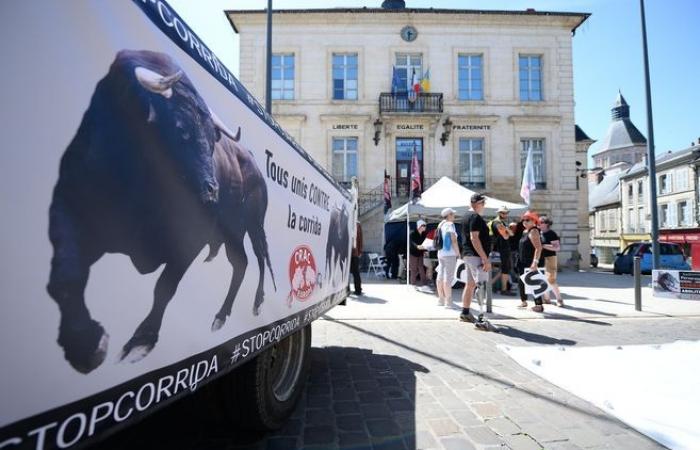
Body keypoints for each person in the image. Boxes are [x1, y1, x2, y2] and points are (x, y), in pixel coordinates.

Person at [460, 193, 492, 322]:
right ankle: (481, 318)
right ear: (476, 204)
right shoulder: (475, 217)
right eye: (482, 203)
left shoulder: (466, 216)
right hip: (475, 255)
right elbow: (474, 238)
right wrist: (485, 258)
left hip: (469, 255)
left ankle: (465, 313)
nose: (484, 206)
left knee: (470, 285)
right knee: (481, 285)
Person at [517, 211, 545, 312]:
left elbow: (538, 248)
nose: (524, 222)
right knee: (521, 282)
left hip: (530, 261)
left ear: (534, 221)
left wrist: (535, 262)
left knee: (534, 283)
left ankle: (539, 305)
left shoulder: (534, 231)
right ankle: (523, 301)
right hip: (523, 261)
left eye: (527, 220)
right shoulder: (525, 231)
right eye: (523, 220)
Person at [436, 208, 459, 308]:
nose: (454, 216)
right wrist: (458, 252)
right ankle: (448, 301)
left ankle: (441, 299)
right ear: (449, 215)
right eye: (453, 214)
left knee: (440, 276)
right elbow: (453, 239)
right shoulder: (450, 225)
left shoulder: (440, 224)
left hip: (441, 252)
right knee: (448, 277)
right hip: (450, 253)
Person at [539, 215, 564, 306]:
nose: (539, 223)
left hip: (550, 258)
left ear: (547, 224)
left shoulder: (551, 233)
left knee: (551, 279)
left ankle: (559, 299)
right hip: (541, 258)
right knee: (543, 279)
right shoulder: (539, 233)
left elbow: (557, 248)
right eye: (538, 222)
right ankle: (547, 299)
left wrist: (544, 246)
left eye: (541, 222)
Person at [490, 206, 515, 296]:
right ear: (499, 213)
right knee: (505, 269)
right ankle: (503, 289)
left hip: (503, 249)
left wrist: (507, 230)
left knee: (506, 269)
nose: (505, 214)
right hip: (500, 250)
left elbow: (511, 234)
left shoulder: (502, 223)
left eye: (506, 213)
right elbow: (506, 236)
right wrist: (507, 230)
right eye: (503, 213)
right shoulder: (498, 223)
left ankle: (490, 286)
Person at [409, 220, 428, 286]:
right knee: (414, 269)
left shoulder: (424, 234)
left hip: (420, 253)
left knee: (421, 267)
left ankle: (424, 283)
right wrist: (417, 246)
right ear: (420, 226)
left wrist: (426, 249)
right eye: (424, 226)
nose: (425, 227)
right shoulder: (412, 234)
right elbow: (412, 242)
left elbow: (426, 242)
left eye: (425, 226)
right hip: (413, 253)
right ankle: (413, 283)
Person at [350, 221, 363, 295]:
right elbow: (360, 238)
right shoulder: (357, 224)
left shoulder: (356, 224)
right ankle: (358, 289)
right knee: (355, 272)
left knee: (355, 272)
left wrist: (360, 250)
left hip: (353, 252)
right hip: (354, 252)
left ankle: (358, 289)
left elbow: (360, 238)